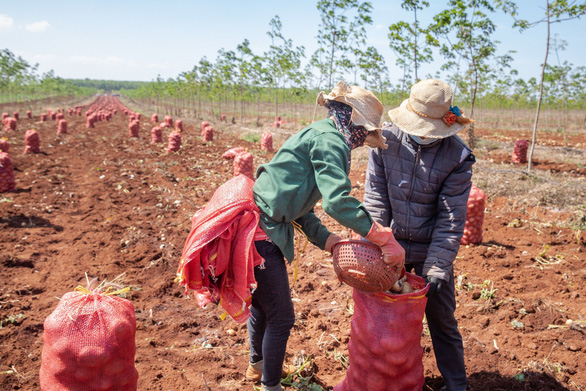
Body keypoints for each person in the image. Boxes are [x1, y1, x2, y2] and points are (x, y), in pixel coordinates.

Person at [245, 81, 405, 391]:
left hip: (261, 225)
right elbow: (336, 202)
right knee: (281, 316)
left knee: (262, 306)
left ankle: (258, 366)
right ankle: (270, 386)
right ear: (355, 123)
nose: (361, 143)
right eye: (364, 134)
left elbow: (298, 204)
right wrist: (381, 236)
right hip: (262, 234)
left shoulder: (322, 132)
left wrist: (329, 241)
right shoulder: (331, 141)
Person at [363, 79, 475, 391]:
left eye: (431, 130)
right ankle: (384, 379)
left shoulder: (458, 157)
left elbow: (450, 219)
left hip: (430, 248)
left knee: (442, 320)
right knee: (382, 316)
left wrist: (438, 265)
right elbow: (375, 200)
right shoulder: (386, 140)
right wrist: (377, 246)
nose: (424, 135)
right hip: (392, 243)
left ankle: (456, 385)